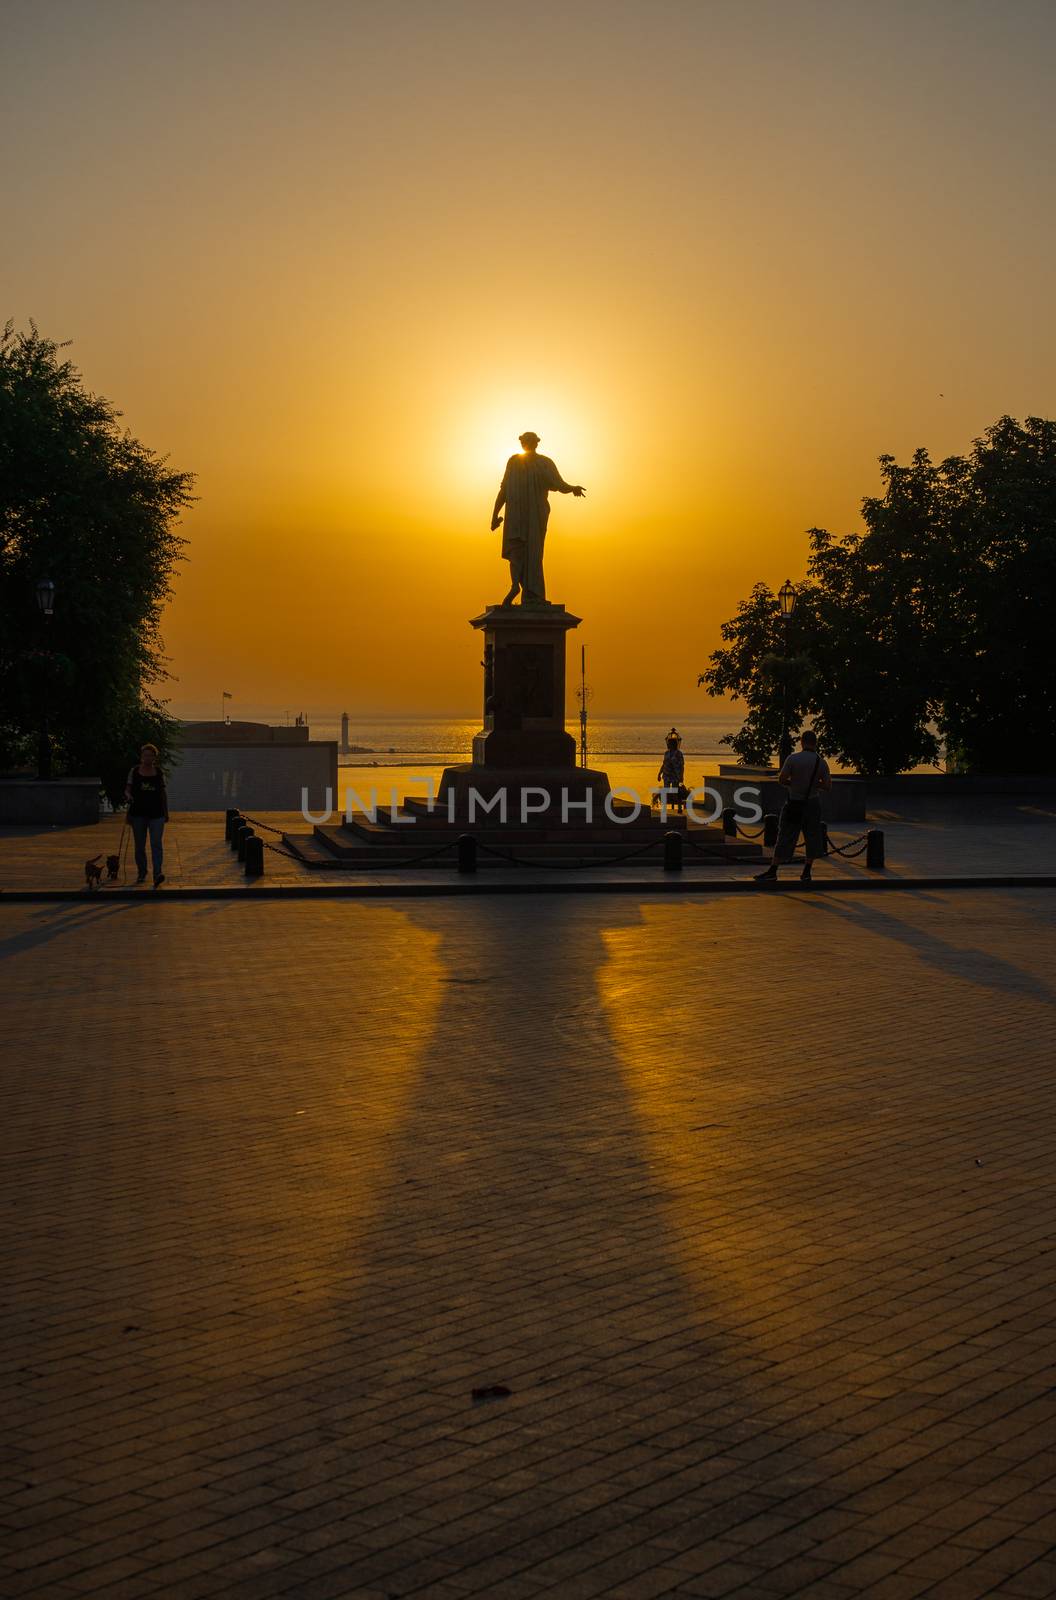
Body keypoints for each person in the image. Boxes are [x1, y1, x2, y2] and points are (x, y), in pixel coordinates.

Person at [491, 432, 585, 606]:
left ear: (535, 443)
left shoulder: (544, 463)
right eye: (523, 441)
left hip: (535, 516)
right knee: (515, 550)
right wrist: (494, 515)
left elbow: (558, 483)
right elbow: (504, 490)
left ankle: (532, 593)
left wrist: (572, 488)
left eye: (527, 441)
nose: (525, 444)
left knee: (533, 553)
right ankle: (515, 586)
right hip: (515, 516)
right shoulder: (513, 462)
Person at [755, 729, 831, 884]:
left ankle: (773, 870)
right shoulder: (821, 762)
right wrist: (813, 785)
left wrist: (795, 784)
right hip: (812, 803)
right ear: (815, 743)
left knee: (785, 835)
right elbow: (828, 786)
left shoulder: (793, 759)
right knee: (812, 837)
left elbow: (781, 780)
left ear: (801, 742)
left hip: (793, 802)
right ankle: (806, 871)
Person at [124, 743, 169, 886]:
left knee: (156, 844)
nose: (147, 758)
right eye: (145, 755)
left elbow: (163, 793)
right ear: (141, 756)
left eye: (150, 755)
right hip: (138, 813)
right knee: (139, 846)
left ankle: (157, 873)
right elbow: (127, 789)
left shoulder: (159, 772)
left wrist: (166, 812)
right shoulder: (135, 771)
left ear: (154, 757)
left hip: (157, 813)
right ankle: (142, 872)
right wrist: (128, 796)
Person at [657, 728, 687, 807]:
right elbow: (664, 764)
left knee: (675, 792)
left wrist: (681, 777)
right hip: (666, 775)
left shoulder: (678, 753)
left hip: (675, 775)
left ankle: (679, 806)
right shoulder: (666, 753)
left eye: (670, 744)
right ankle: (665, 807)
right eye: (668, 743)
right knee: (666, 791)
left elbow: (681, 766)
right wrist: (659, 773)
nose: (668, 745)